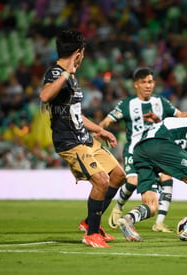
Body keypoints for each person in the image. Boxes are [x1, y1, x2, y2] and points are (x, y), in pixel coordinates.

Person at [40, 29, 125, 248]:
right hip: (70, 141)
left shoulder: (72, 77)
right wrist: (66, 73)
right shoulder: (56, 72)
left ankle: (90, 222)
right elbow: (45, 96)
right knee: (101, 180)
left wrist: (99, 130)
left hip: (86, 138)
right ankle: (92, 234)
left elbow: (76, 113)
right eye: (83, 52)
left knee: (117, 175)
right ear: (78, 53)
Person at [100, 67, 187, 232]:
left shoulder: (161, 102)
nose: (148, 86)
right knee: (132, 182)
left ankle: (157, 222)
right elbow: (107, 121)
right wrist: (102, 131)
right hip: (135, 149)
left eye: (150, 82)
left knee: (167, 179)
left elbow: (179, 116)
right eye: (143, 82)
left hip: (158, 148)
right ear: (136, 85)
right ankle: (119, 206)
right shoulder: (128, 104)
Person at [117, 117, 187, 242]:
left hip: (140, 151)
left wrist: (182, 177)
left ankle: (128, 219)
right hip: (160, 143)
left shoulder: (180, 137)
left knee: (151, 205)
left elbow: (165, 160)